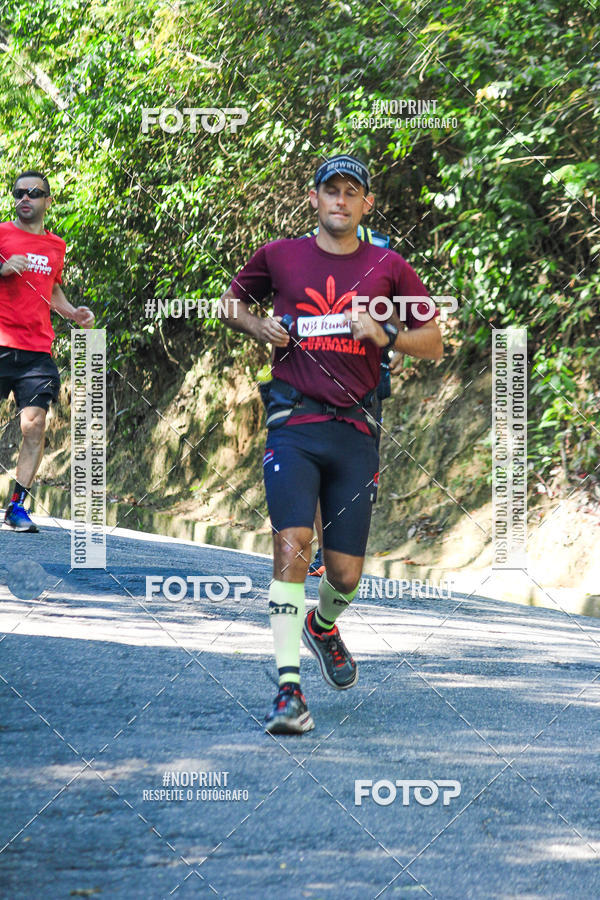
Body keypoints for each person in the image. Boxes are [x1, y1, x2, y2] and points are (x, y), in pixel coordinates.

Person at [221, 154, 442, 734]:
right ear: (313, 198)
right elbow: (232, 303)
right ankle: (288, 692)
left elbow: (435, 340)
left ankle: (323, 625)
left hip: (356, 429)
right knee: (292, 545)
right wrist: (255, 325)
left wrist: (386, 331)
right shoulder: (279, 256)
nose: (340, 201)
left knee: (344, 576)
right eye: (330, 191)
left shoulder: (389, 265)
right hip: (294, 420)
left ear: (366, 204)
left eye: (351, 192)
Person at [0, 171, 94, 533]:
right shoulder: (3, 234)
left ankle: (17, 506)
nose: (26, 198)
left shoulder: (57, 246)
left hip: (37, 349)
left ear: (47, 201)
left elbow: (51, 288)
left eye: (34, 193)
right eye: (19, 192)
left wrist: (72, 312)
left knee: (34, 425)